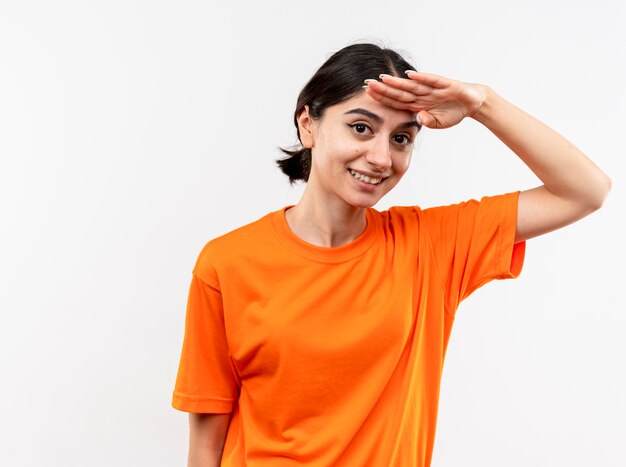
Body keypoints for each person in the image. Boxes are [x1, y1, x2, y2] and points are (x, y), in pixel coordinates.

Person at [172, 43, 611, 467]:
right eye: (360, 127)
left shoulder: (430, 245)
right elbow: (207, 438)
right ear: (309, 124)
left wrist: (483, 104)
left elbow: (585, 191)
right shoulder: (227, 262)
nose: (381, 157)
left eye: (401, 138)